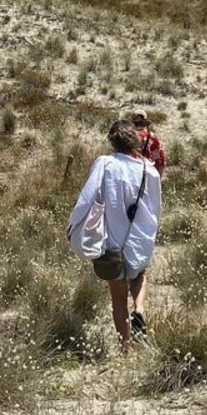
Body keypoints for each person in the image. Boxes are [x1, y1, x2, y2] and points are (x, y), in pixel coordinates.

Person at [67, 120, 162, 348]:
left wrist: (73, 224)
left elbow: (88, 197)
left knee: (118, 298)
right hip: (139, 236)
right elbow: (156, 206)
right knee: (139, 276)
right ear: (135, 140)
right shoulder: (149, 170)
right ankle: (139, 308)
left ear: (112, 140)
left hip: (112, 238)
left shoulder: (105, 164)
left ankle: (125, 347)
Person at [132, 112, 166, 176]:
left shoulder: (129, 138)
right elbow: (162, 162)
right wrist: (158, 179)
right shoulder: (154, 138)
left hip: (133, 175)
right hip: (150, 175)